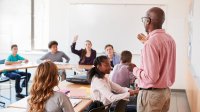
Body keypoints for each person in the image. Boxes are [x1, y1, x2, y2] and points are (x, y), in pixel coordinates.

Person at [130, 7, 176, 112]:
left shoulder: (150, 43)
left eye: (144, 19)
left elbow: (151, 78)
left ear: (148, 20)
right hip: (165, 93)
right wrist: (146, 42)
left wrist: (134, 69)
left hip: (151, 95)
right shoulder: (170, 39)